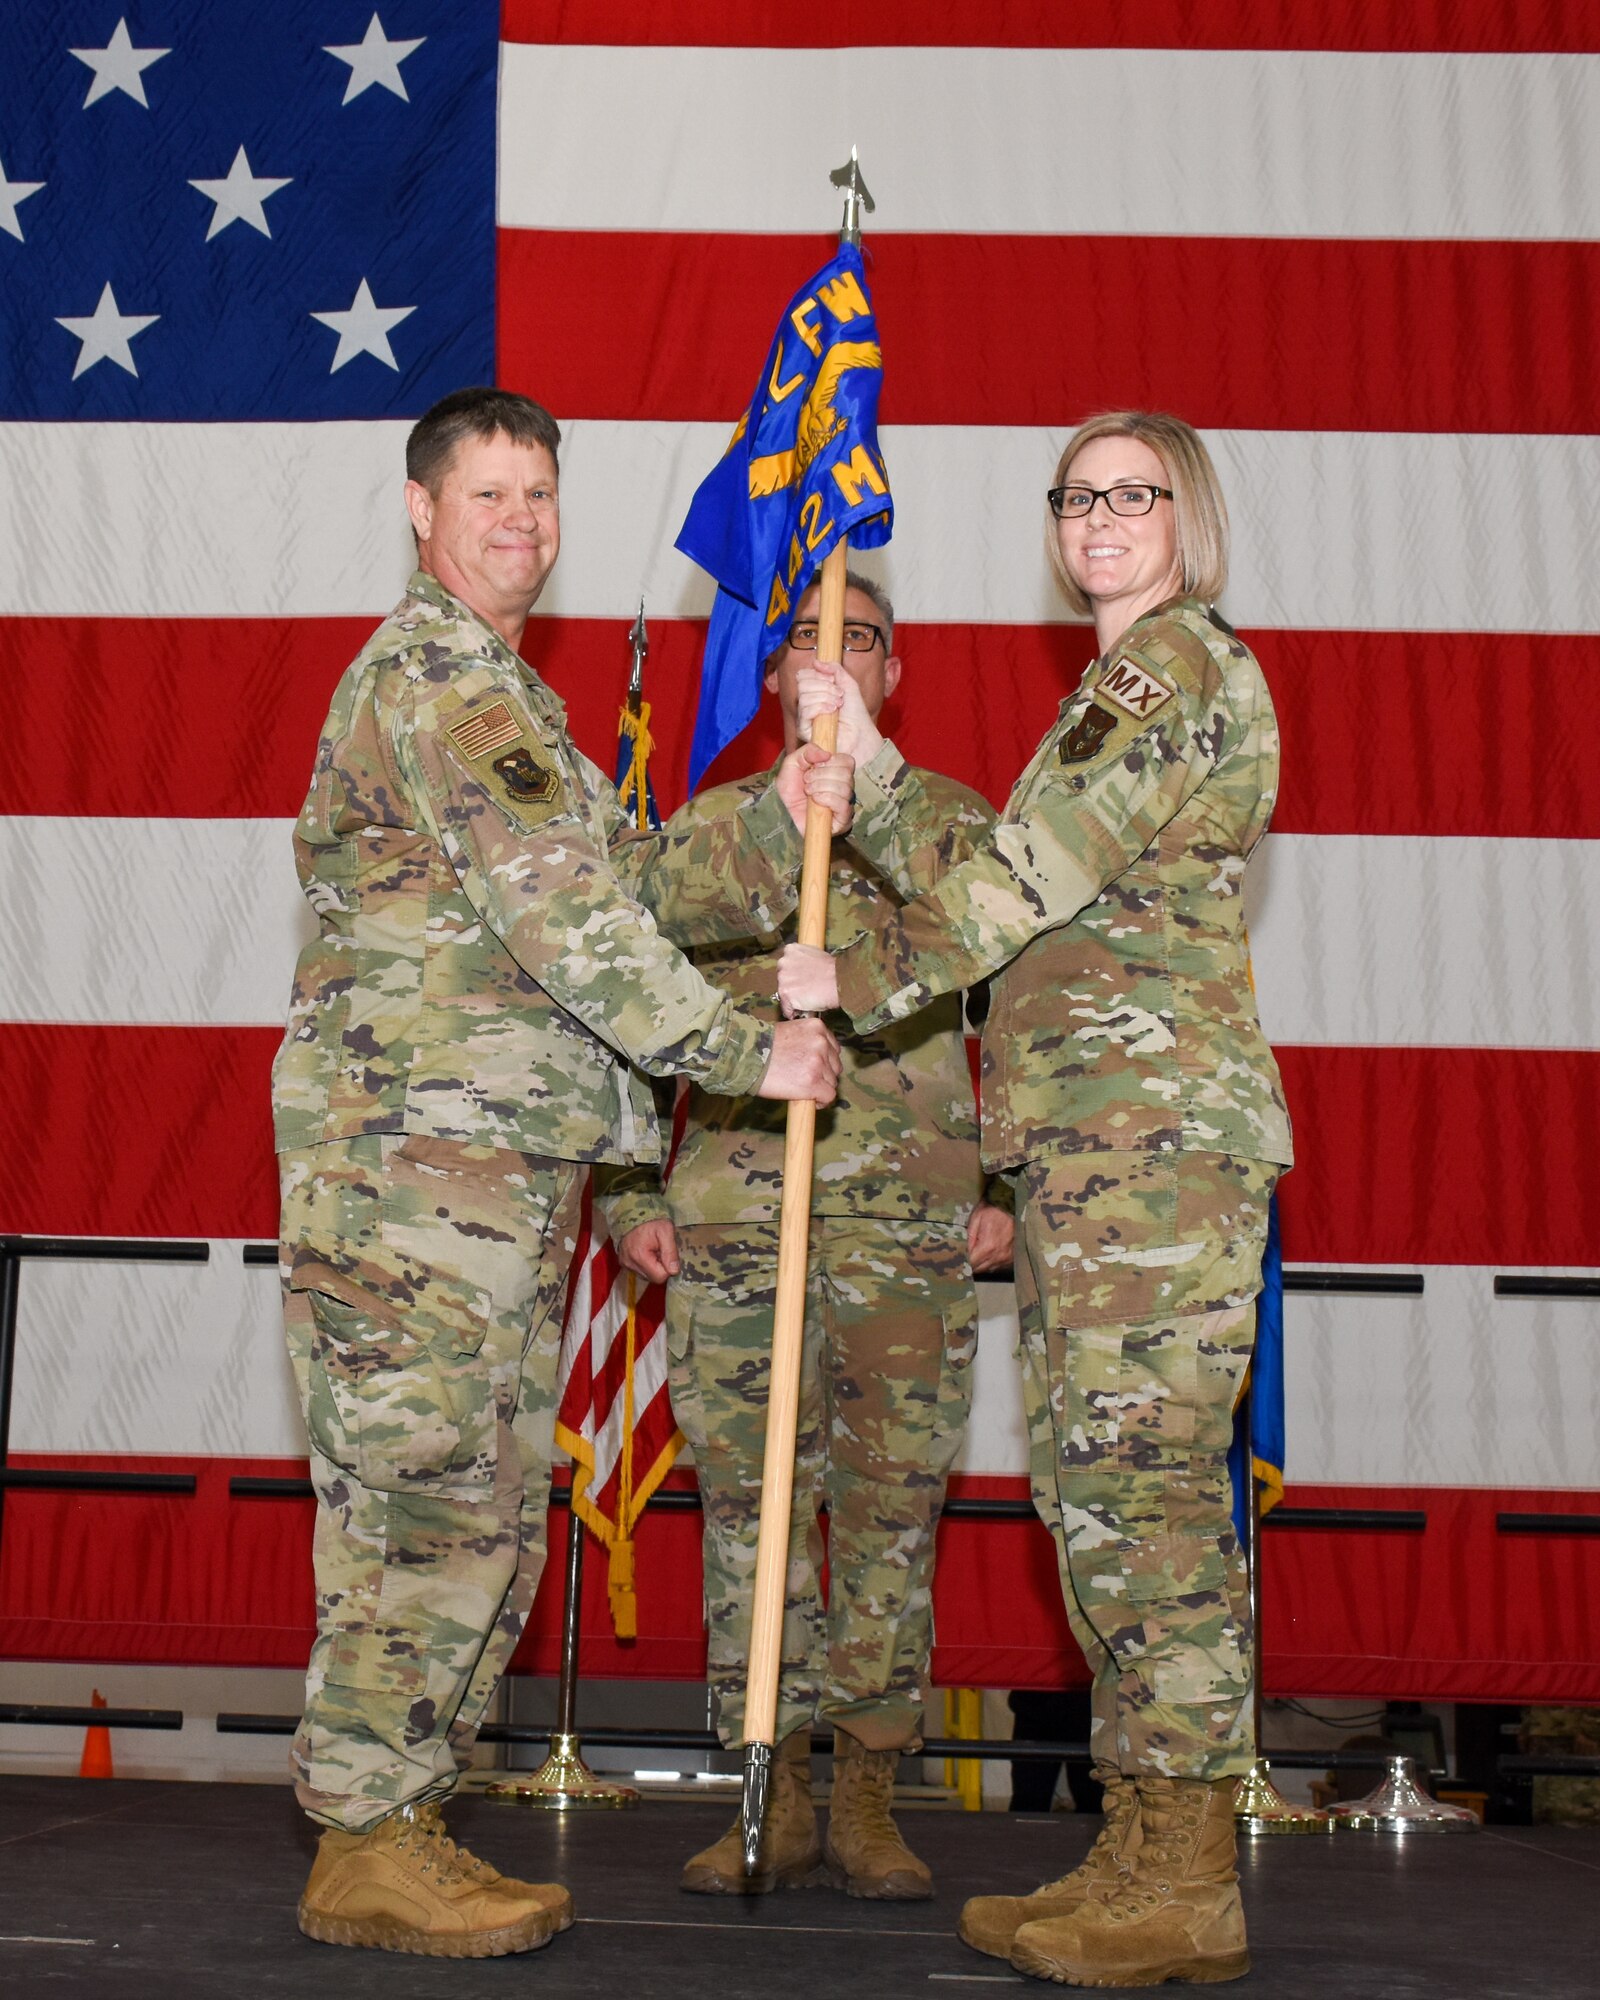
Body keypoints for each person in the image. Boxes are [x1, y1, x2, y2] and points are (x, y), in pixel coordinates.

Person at [272, 386, 847, 1960]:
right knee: (423, 1503)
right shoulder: (440, 686)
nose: (519, 522)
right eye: (489, 496)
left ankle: (407, 1818)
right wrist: (750, 1051)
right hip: (417, 1176)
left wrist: (773, 818)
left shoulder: (504, 699)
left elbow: (629, 871)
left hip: (489, 1172)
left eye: (540, 495)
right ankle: (367, 1837)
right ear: (420, 508)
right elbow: (571, 928)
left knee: (481, 1503)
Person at [778, 413, 1293, 1988]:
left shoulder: (1175, 669)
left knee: (1139, 1507)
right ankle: (1145, 1845)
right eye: (1078, 496)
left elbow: (1017, 883)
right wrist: (868, 767)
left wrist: (845, 977)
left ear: (1188, 516)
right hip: (1095, 1155)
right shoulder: (1113, 691)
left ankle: (1188, 1871)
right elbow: (1019, 852)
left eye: (1134, 493)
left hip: (1152, 1155)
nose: (1101, 518)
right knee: (1098, 1506)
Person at [598, 572, 1014, 1900]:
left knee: (889, 1510)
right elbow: (619, 1003)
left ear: (893, 674)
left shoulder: (951, 828)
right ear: (778, 680)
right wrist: (627, 1191)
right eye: (808, 649)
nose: (833, 666)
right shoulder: (716, 832)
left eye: (862, 643)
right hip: (737, 1221)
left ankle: (873, 1793)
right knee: (748, 1514)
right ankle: (762, 1786)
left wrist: (1009, 1182)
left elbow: (1026, 1017)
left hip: (908, 1229)